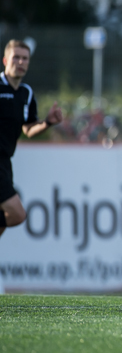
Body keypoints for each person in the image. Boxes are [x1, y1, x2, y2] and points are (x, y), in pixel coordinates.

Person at [0, 40, 62, 243]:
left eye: (24, 58)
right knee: (17, 214)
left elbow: (28, 129)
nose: (20, 62)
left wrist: (47, 123)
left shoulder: (26, 93)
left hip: (5, 162)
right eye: (16, 57)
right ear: (5, 60)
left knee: (4, 221)